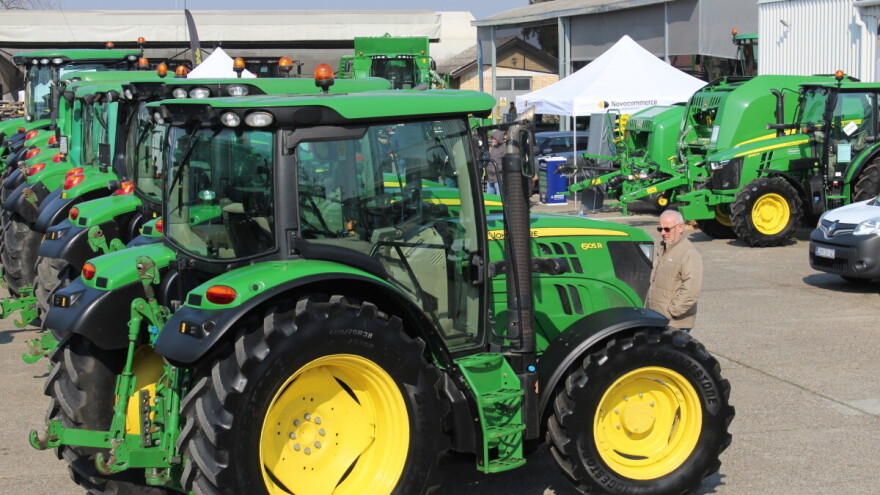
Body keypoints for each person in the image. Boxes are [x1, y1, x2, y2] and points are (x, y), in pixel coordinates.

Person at [645, 209, 703, 332]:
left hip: (674, 324)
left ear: (680, 227)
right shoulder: (663, 248)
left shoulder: (689, 253)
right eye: (660, 229)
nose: (663, 233)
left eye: (667, 229)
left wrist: (671, 312)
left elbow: (691, 290)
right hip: (657, 319)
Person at [486, 130, 505, 196]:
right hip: (490, 177)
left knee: (499, 196)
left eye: (494, 138)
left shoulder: (504, 148)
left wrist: (496, 169)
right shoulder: (494, 147)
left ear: (498, 138)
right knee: (489, 197)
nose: (493, 140)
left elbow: (505, 163)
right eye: (493, 138)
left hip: (498, 177)